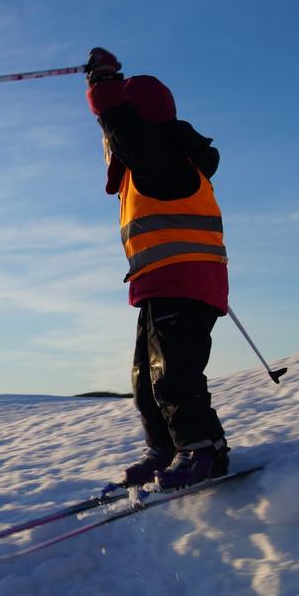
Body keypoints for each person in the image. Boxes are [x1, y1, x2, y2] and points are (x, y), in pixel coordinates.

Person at [84, 48, 231, 491]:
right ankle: (168, 448)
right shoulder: (147, 167)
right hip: (161, 282)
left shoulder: (162, 161)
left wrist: (105, 86)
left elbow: (126, 130)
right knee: (145, 379)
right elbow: (122, 135)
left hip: (186, 278)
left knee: (174, 374)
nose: (110, 146)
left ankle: (204, 448)